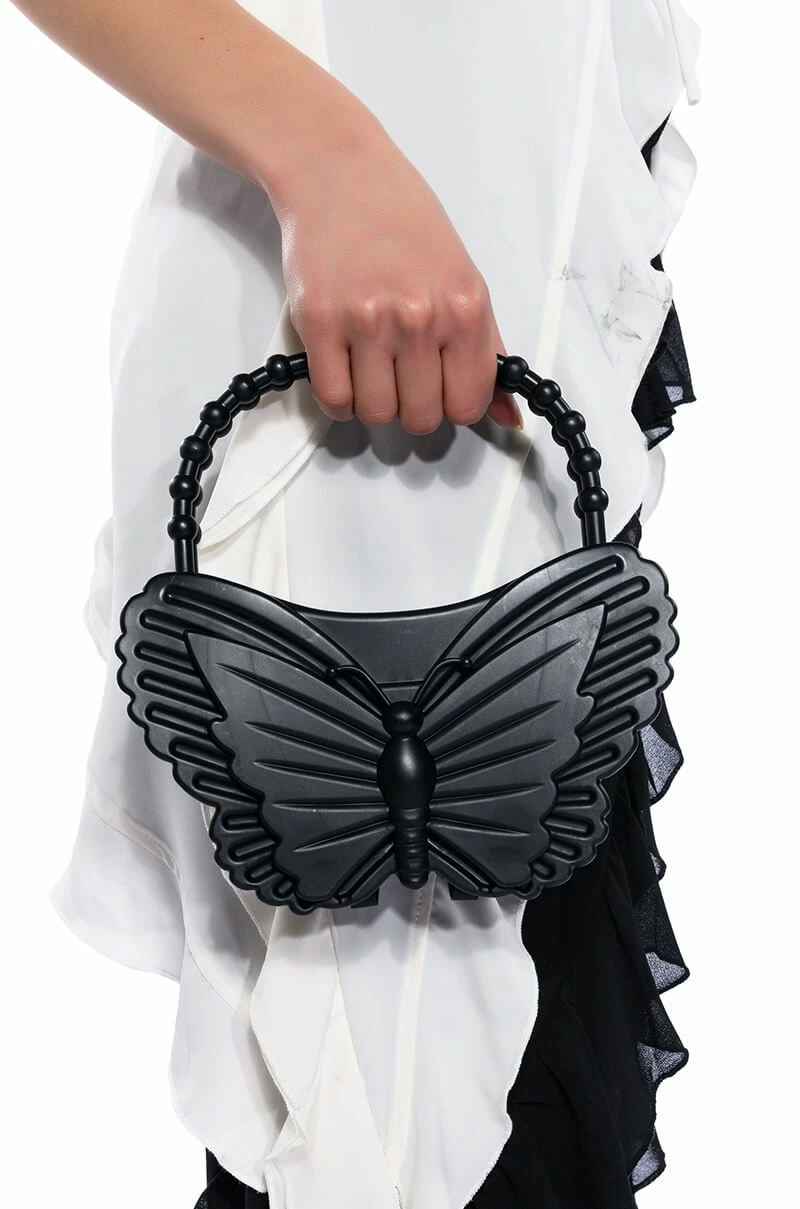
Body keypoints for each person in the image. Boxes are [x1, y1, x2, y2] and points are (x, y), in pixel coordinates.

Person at [13, 1, 701, 1206]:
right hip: (364, 385)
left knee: (449, 1081)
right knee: (387, 1116)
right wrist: (327, 154)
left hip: (509, 363)